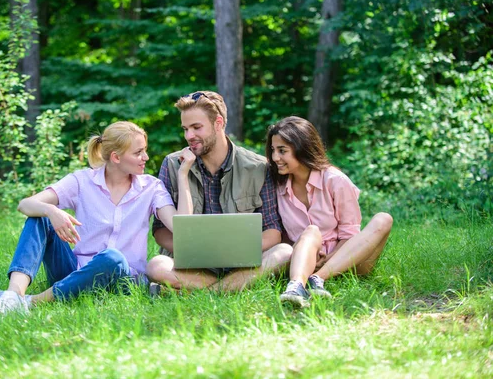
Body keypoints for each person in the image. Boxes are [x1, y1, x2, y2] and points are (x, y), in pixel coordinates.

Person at [0, 121, 196, 318]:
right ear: (116, 157)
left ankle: (28, 303)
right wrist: (52, 211)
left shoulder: (151, 187)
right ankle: (13, 295)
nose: (146, 158)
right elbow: (25, 205)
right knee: (39, 218)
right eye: (138, 152)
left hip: (122, 279)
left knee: (112, 258)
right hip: (74, 271)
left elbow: (182, 227)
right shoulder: (82, 181)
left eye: (144, 151)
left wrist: (183, 174)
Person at [146, 91, 292, 292]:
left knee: (284, 252)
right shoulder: (172, 164)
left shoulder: (258, 167)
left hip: (242, 264)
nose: (189, 136)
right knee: (156, 265)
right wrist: (198, 254)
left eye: (197, 127)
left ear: (218, 123)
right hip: (191, 266)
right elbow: (160, 230)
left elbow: (273, 231)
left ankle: (202, 291)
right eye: (185, 129)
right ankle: (232, 287)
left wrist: (230, 254)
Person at [266, 116, 393, 308]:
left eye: (282, 151)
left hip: (347, 261)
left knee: (384, 219)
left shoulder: (335, 180)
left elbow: (349, 234)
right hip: (303, 261)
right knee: (311, 231)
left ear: (302, 148)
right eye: (273, 150)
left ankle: (317, 279)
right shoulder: (276, 186)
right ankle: (297, 286)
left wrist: (329, 260)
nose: (275, 158)